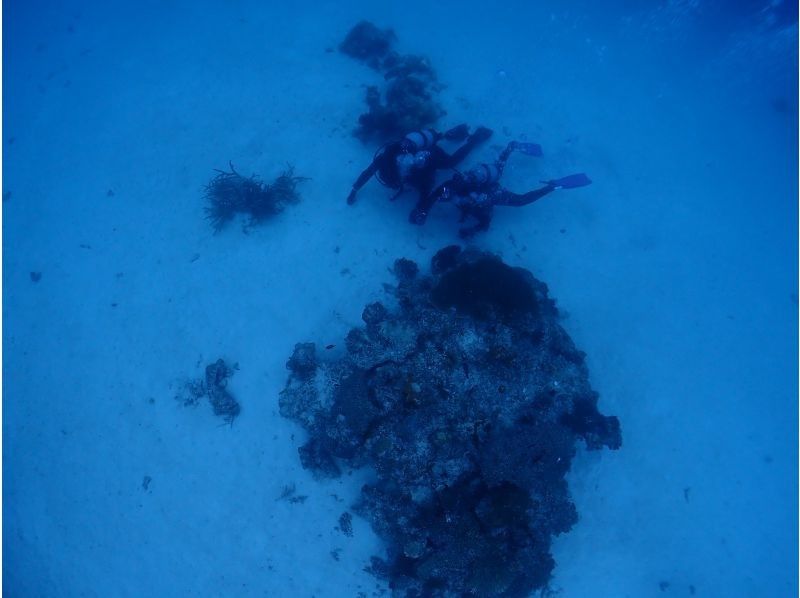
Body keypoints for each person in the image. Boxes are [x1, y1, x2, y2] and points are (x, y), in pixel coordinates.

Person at [414, 141, 591, 238]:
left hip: (488, 192)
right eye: (446, 196)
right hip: (481, 184)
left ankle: (552, 186)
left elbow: (486, 221)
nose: (444, 196)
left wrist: (472, 230)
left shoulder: (483, 200)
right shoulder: (452, 186)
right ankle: (510, 147)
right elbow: (435, 195)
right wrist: (423, 212)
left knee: (519, 200)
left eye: (447, 196)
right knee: (498, 167)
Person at [345, 124, 493, 212]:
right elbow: (368, 172)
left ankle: (473, 139)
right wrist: (354, 190)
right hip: (420, 151)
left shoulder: (421, 164)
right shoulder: (386, 158)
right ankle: (442, 135)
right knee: (440, 153)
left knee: (450, 163)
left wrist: (421, 208)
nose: (402, 162)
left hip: (429, 155)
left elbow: (425, 188)